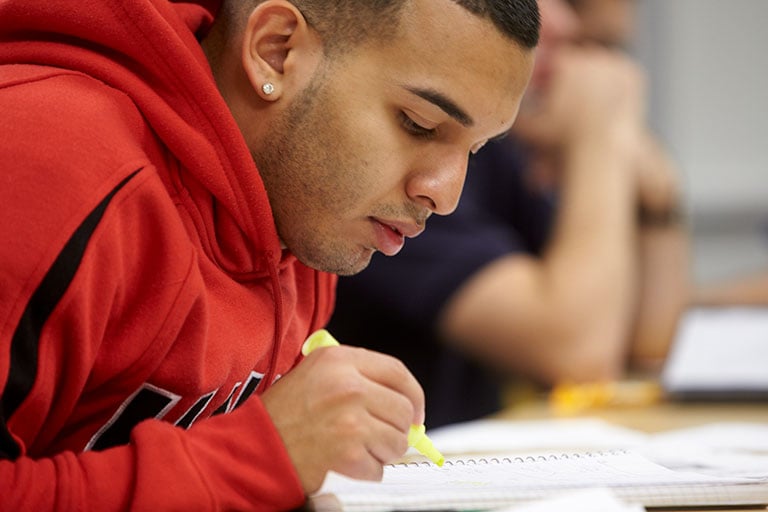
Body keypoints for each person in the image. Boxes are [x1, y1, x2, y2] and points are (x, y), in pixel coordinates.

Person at [0, 0, 540, 509]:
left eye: (474, 150)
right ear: (276, 50)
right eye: (417, 124)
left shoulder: (305, 218)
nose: (445, 195)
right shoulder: (48, 162)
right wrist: (261, 456)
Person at [328, 0, 690, 428]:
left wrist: (659, 203)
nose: (566, 32)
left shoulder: (507, 152)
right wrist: (601, 139)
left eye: (600, 45)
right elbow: (577, 355)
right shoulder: (411, 166)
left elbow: (652, 350)